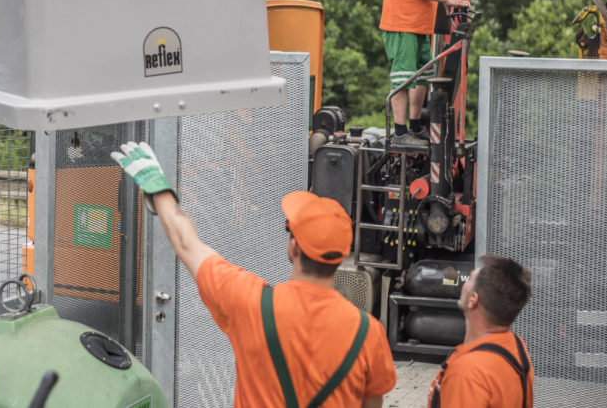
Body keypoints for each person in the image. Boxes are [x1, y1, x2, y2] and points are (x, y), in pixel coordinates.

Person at [112, 141, 397, 407]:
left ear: (294, 247)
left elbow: (186, 243)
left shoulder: (250, 303)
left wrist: (157, 187)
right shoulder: (369, 334)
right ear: (341, 255)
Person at [379, 0, 470, 146]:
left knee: (422, 77)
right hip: (403, 24)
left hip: (422, 26)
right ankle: (399, 134)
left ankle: (415, 127)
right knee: (404, 77)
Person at [426, 254, 534, 408]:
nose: (464, 282)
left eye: (469, 278)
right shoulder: (517, 347)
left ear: (473, 300)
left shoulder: (468, 373)